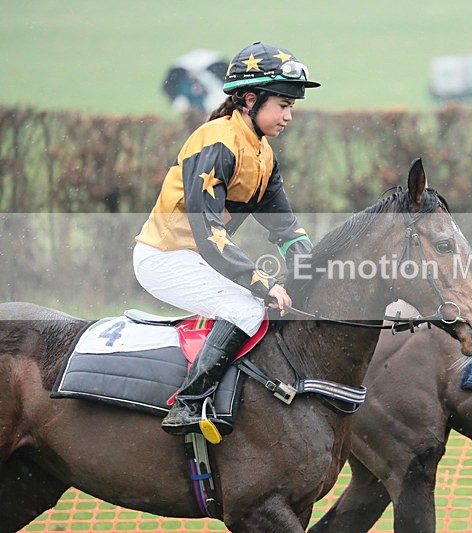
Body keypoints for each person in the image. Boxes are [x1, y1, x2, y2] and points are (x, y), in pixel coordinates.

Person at [133, 41, 319, 437]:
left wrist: (317, 269)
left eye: (292, 106)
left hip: (196, 258)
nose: (289, 115)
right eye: (283, 105)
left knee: (264, 308)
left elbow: (285, 228)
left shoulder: (262, 154)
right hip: (164, 257)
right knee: (250, 310)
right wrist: (260, 281)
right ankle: (188, 403)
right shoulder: (215, 140)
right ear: (250, 100)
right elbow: (209, 234)